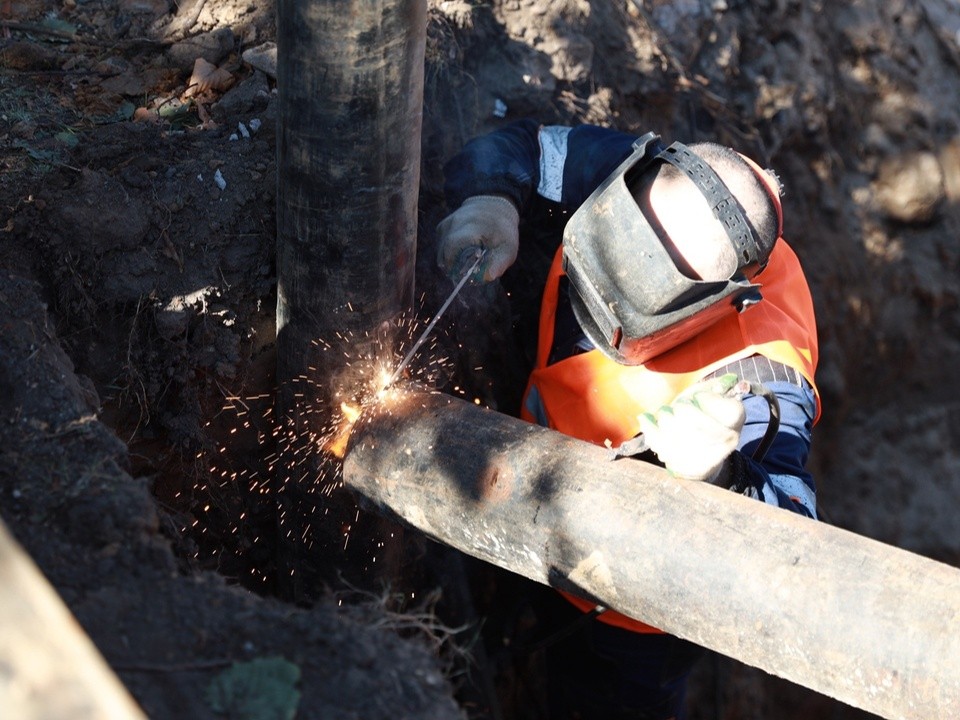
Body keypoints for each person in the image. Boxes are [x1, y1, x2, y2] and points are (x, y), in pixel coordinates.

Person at [435, 119, 821, 720]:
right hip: (537, 492)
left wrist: (723, 476)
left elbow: (792, 538)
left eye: (626, 306)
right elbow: (524, 148)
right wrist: (492, 197)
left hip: (630, 617)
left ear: (716, 303)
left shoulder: (759, 377)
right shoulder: (642, 173)